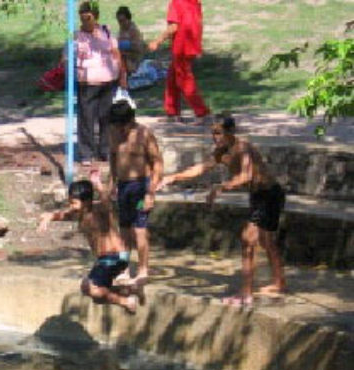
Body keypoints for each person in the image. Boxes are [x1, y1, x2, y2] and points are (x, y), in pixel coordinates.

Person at [159, 116, 286, 305]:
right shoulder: (221, 151)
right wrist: (174, 177)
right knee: (266, 241)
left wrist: (220, 188)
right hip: (258, 196)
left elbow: (246, 175)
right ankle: (279, 282)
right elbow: (201, 168)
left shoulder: (242, 148)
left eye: (218, 133)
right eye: (213, 133)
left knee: (248, 239)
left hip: (270, 194)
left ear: (230, 133)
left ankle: (246, 293)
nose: (215, 137)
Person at [38, 177, 140, 314]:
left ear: (86, 201)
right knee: (97, 298)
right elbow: (63, 215)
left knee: (89, 287)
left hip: (115, 256)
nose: (71, 205)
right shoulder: (79, 213)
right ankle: (124, 290)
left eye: (73, 202)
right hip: (104, 260)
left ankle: (127, 301)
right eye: (70, 202)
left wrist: (98, 185)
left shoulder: (99, 210)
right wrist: (49, 217)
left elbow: (106, 201)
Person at [108, 99, 163, 282]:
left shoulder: (144, 134)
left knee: (139, 230)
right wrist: (112, 182)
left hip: (141, 186)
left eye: (121, 125)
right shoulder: (114, 134)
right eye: (116, 126)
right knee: (123, 229)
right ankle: (124, 268)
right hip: (123, 186)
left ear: (130, 121)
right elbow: (113, 158)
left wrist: (150, 192)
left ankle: (142, 270)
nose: (119, 130)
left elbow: (157, 163)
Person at [74, 1, 126, 165]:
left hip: (108, 80)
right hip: (87, 82)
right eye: (82, 18)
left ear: (95, 17)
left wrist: (122, 75)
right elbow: (66, 58)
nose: (86, 22)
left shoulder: (106, 32)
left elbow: (116, 54)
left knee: (107, 117)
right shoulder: (76, 36)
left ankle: (106, 150)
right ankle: (86, 153)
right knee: (86, 118)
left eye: (88, 17)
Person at [148, 0, 210, 123]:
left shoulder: (176, 3)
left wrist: (157, 41)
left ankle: (201, 112)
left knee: (184, 79)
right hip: (191, 45)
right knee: (172, 77)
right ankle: (172, 112)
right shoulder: (194, 2)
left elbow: (173, 27)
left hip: (181, 47)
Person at [115, 6, 145, 75]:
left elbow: (139, 48)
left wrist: (127, 45)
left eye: (123, 21)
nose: (121, 23)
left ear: (128, 19)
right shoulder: (122, 30)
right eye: (119, 21)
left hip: (134, 60)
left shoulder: (134, 30)